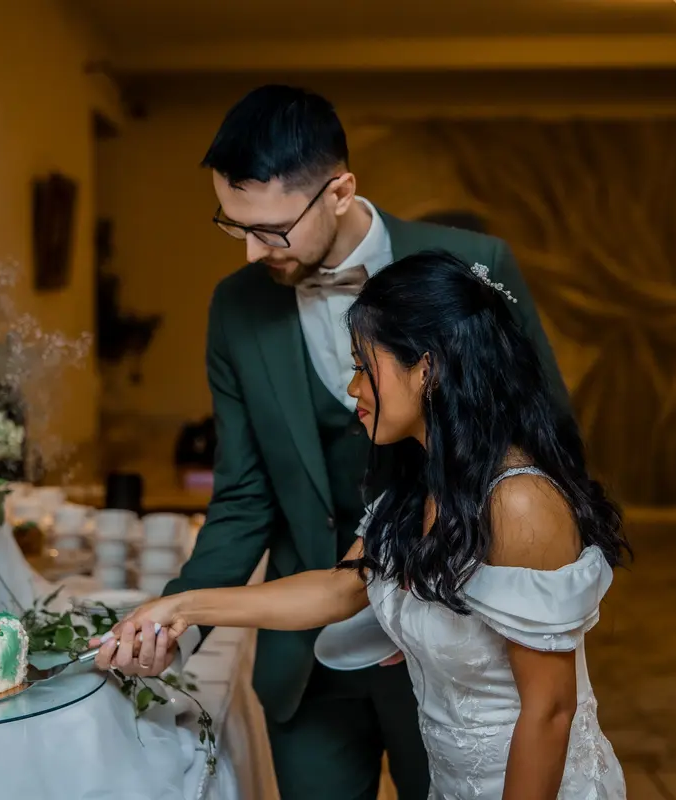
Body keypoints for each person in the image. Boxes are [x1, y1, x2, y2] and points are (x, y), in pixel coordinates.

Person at [92, 85, 570, 800]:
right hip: (306, 654)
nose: (251, 251)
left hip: (452, 650)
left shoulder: (473, 266)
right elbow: (244, 495)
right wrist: (178, 620)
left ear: (340, 192)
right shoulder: (237, 308)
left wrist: (453, 608)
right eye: (233, 226)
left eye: (272, 229)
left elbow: (547, 442)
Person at [113, 251, 630, 799]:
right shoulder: (423, 482)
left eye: (364, 366)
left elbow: (549, 712)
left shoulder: (520, 503)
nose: (352, 388)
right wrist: (182, 607)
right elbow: (339, 589)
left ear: (427, 369)